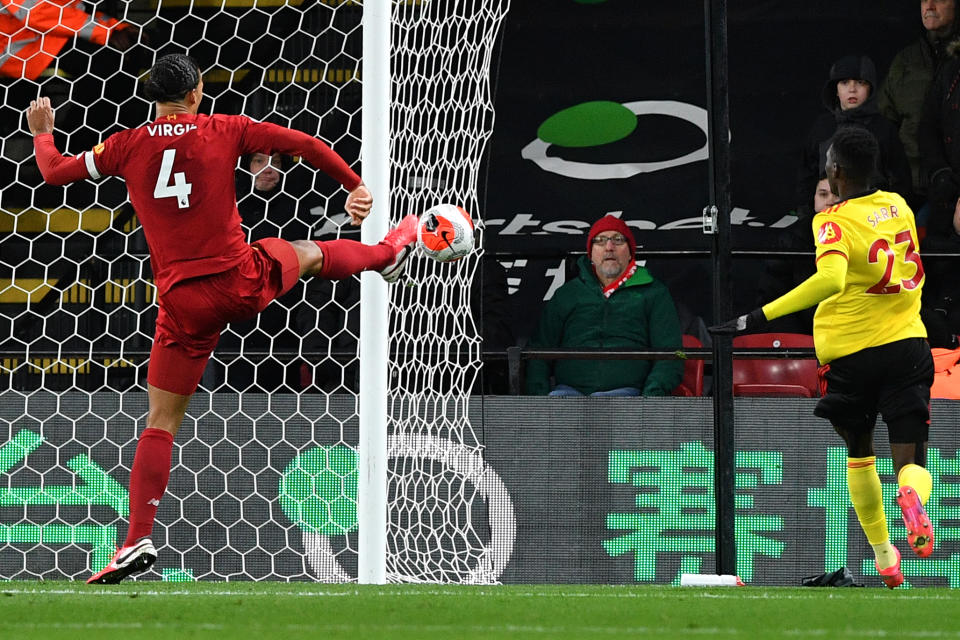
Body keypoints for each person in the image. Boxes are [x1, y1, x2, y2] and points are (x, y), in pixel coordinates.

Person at [24, 53, 418, 584]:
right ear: (197, 93)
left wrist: (43, 133)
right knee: (306, 252)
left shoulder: (125, 145)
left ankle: (137, 537)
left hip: (182, 303)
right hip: (237, 278)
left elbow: (52, 172)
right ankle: (386, 253)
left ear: (154, 98)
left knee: (160, 422)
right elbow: (305, 144)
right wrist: (353, 184)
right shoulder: (224, 128)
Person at [711, 126, 935, 590]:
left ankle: (884, 557)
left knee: (859, 455)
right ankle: (912, 494)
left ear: (834, 172)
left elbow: (831, 280)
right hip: (908, 345)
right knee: (910, 456)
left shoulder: (832, 220)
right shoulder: (900, 207)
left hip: (851, 355)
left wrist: (757, 316)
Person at [524, 215, 683, 397]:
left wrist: (650, 397)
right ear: (590, 253)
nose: (609, 247)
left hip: (628, 395)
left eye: (618, 240)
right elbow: (538, 350)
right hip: (567, 394)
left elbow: (673, 353)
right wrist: (538, 400)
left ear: (630, 252)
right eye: (600, 241)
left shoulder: (654, 292)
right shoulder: (567, 294)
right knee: (557, 403)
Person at [795, 54, 912, 219]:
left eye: (860, 82)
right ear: (835, 90)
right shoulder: (823, 126)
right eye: (844, 82)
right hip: (825, 220)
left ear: (870, 88)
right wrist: (806, 215)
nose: (852, 89)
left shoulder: (884, 129)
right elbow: (807, 175)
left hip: (871, 221)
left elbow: (901, 182)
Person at [879, 0, 959, 209]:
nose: (929, 6)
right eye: (924, 0)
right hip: (909, 188)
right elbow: (883, 123)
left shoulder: (954, 63)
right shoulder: (906, 61)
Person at [758, 174, 840, 335]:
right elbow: (773, 298)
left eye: (836, 194)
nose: (830, 201)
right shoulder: (791, 240)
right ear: (814, 199)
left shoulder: (861, 235)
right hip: (804, 338)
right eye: (823, 194)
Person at [0, 0, 140, 80]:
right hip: (18, 49)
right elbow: (36, 12)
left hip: (51, 34)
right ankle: (83, 129)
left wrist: (117, 28)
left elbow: (76, 9)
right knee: (106, 61)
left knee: (134, 48)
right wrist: (107, 32)